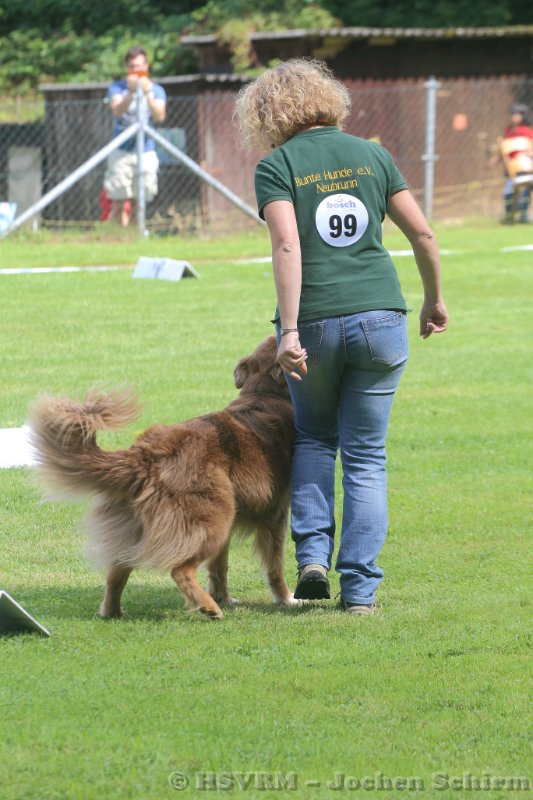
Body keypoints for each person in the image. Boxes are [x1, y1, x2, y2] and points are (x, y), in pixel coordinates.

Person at [235, 59, 448, 615]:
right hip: (381, 319)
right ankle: (359, 592)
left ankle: (312, 559)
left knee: (313, 439)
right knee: (366, 456)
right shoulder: (374, 155)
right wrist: (433, 298)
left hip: (314, 323)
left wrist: (288, 331)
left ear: (268, 114)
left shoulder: (276, 165)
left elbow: (287, 244)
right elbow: (423, 234)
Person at [103, 46, 167, 227]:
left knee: (140, 202)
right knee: (118, 201)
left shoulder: (157, 90)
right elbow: (117, 111)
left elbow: (159, 116)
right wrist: (131, 92)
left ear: (146, 66)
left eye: (139, 66)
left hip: (146, 151)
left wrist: (146, 92)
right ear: (127, 67)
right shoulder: (117, 87)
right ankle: (119, 237)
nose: (136, 70)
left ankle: (135, 234)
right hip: (121, 151)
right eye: (132, 66)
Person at [490, 103, 533, 224]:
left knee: (524, 192)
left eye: (517, 114)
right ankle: (509, 215)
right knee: (508, 192)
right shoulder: (508, 131)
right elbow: (504, 149)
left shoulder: (527, 131)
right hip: (511, 169)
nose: (514, 117)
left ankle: (523, 214)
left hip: (524, 168)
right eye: (513, 114)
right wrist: (497, 158)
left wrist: (527, 154)